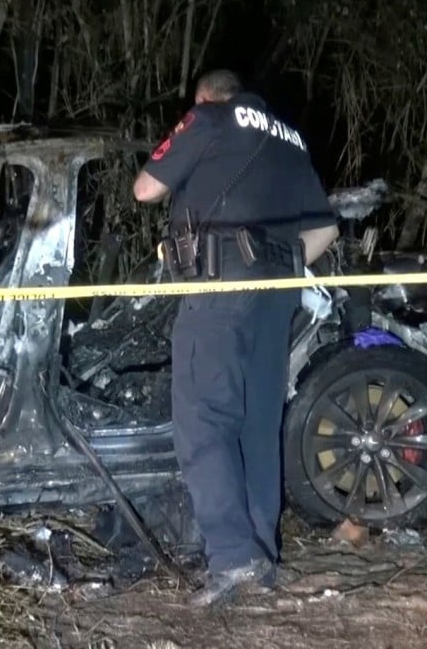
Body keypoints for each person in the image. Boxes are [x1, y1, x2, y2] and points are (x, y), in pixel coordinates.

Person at [133, 69, 339, 607]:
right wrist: (279, 268)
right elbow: (325, 230)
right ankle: (260, 560)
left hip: (219, 289)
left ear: (204, 97)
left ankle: (231, 556)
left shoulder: (210, 118)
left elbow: (145, 189)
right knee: (255, 425)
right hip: (275, 298)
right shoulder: (291, 140)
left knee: (203, 420)